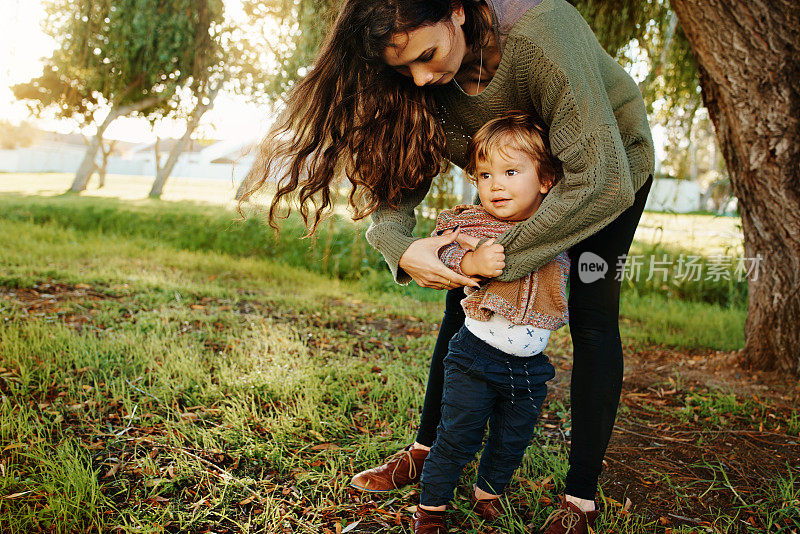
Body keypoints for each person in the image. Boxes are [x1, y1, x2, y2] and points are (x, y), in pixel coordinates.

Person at [240, 0, 655, 532]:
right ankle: (425, 450)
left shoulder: (543, 32)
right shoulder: (427, 82)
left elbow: (600, 178)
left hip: (605, 174)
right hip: (510, 178)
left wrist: (495, 262)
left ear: (455, 10)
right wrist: (397, 243)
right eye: (404, 68)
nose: (420, 78)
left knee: (594, 319)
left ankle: (580, 502)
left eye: (427, 55)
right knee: (460, 305)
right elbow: (399, 174)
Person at [409, 112, 569, 533]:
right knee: (458, 432)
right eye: (484, 174)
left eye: (511, 171)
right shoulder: (477, 224)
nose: (495, 184)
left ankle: (488, 494)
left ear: (546, 180)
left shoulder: (558, 227)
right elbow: (441, 252)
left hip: (531, 366)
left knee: (511, 439)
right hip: (476, 357)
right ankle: (431, 509)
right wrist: (471, 260)